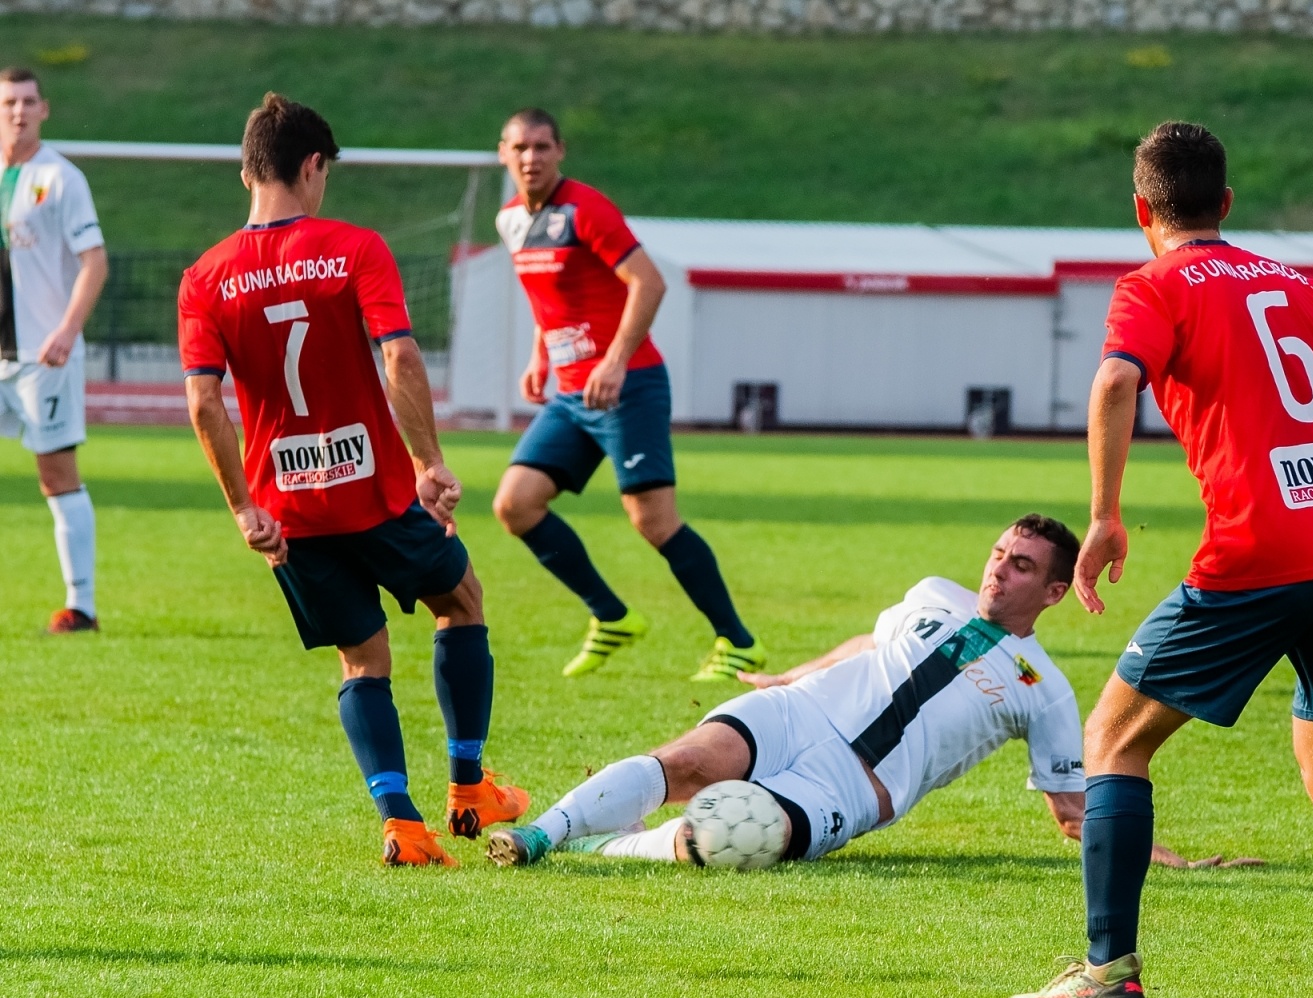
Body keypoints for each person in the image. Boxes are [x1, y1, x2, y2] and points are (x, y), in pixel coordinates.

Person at [1007, 123, 1313, 998]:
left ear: (1141, 210)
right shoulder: (1297, 284)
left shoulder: (1152, 285)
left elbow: (1116, 382)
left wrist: (1103, 516)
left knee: (1115, 742)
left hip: (1258, 548)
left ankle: (1106, 974)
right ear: (1227, 204)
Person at [485, 516, 1253, 870]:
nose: (998, 568)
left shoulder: (1045, 689)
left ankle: (606, 845)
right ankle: (539, 837)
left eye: (1021, 565)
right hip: (800, 712)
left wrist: (1168, 860)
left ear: (1055, 590)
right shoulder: (932, 592)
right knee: (686, 762)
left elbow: (1072, 811)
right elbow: (871, 645)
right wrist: (787, 676)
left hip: (856, 786)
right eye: (997, 552)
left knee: (722, 841)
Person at [178, 93, 528, 866]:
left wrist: (242, 508)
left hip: (288, 512)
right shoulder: (355, 248)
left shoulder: (204, 278)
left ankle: (401, 825)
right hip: (373, 493)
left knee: (362, 658)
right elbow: (399, 357)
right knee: (461, 598)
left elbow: (204, 400)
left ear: (246, 173)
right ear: (313, 166)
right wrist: (430, 462)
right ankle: (469, 787)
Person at [489, 108, 765, 681]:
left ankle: (739, 643)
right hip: (570, 394)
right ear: (502, 153)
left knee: (653, 521)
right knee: (515, 504)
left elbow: (650, 281)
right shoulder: (510, 218)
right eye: (520, 148)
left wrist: (613, 362)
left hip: (628, 384)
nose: (530, 158)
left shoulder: (586, 209)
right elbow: (550, 299)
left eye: (542, 147)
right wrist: (540, 355)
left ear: (560, 151)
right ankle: (611, 616)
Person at [0, 67, 107, 633]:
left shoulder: (61, 178)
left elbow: (95, 261)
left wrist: (66, 329)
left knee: (56, 474)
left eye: (27, 101)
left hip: (43, 358)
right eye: (8, 102)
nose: (18, 111)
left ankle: (80, 607)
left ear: (45, 109)